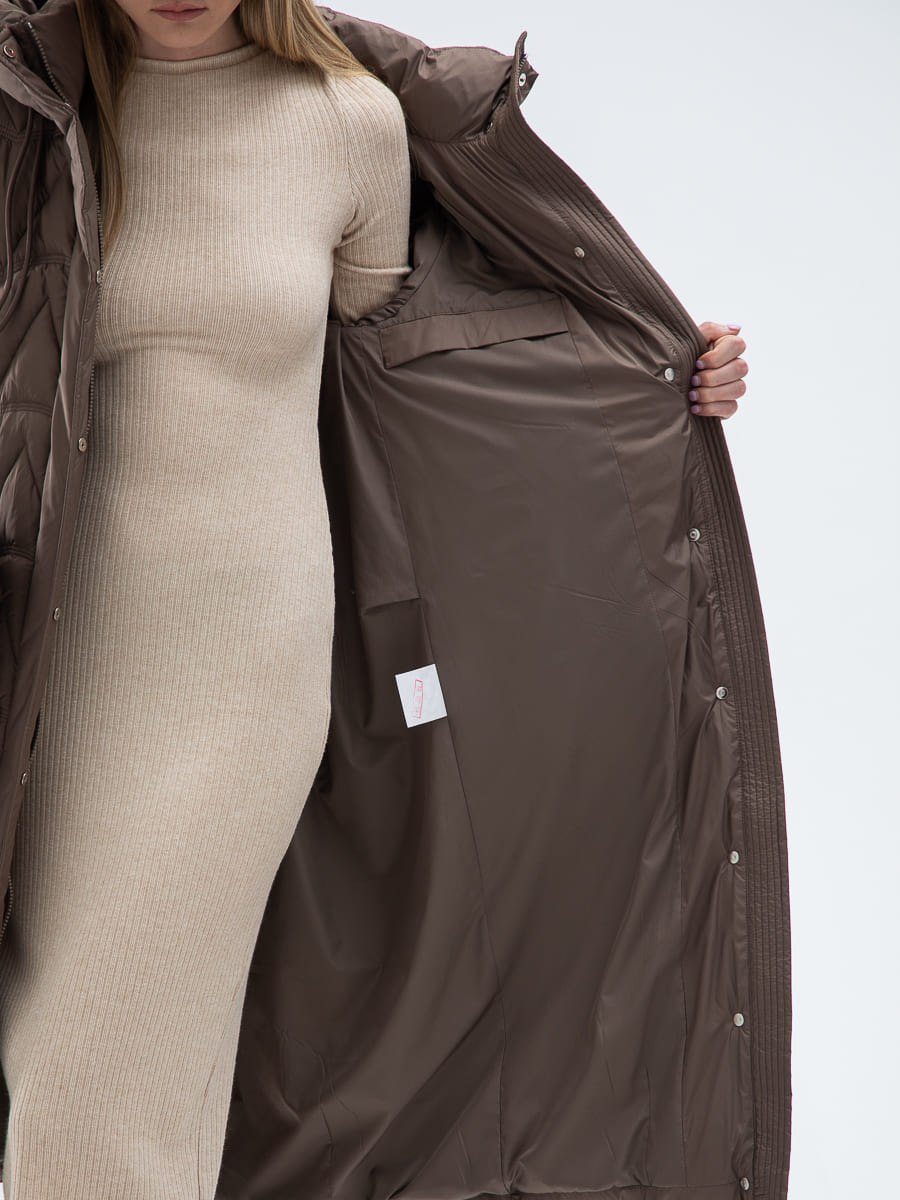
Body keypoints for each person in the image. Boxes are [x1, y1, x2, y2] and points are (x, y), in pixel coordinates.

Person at [0, 0, 750, 1193]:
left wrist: (648, 355)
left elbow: (429, 367)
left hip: (241, 671)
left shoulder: (346, 125)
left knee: (92, 1078)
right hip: (46, 661)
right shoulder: (41, 117)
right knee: (71, 1062)